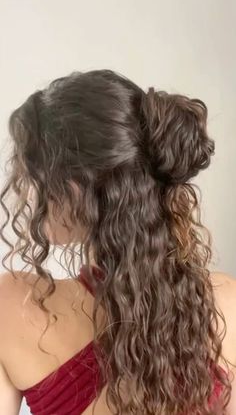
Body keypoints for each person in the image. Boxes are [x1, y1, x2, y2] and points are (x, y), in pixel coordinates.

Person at [0, 69, 235, 415]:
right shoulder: (224, 305)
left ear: (77, 184)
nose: (24, 187)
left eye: (33, 169)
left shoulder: (13, 305)